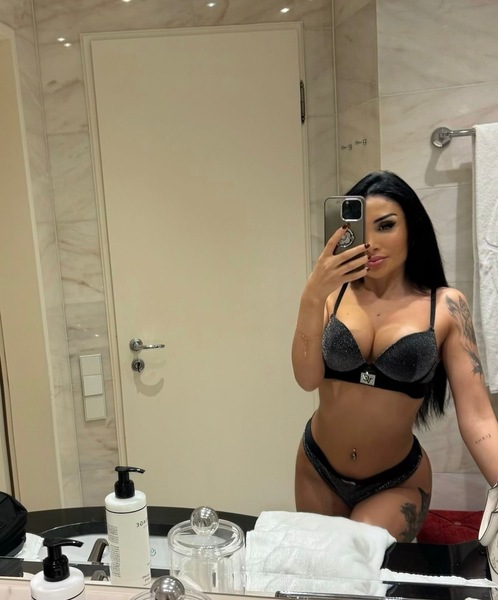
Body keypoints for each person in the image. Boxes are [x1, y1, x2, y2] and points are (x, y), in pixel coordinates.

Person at [292, 170, 498, 542]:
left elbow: (478, 416)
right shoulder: (331, 294)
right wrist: (311, 296)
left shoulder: (446, 306)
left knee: (356, 551)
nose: (371, 243)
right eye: (362, 228)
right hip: (316, 468)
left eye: (386, 225)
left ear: (412, 228)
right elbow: (306, 379)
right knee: (322, 570)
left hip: (397, 482)